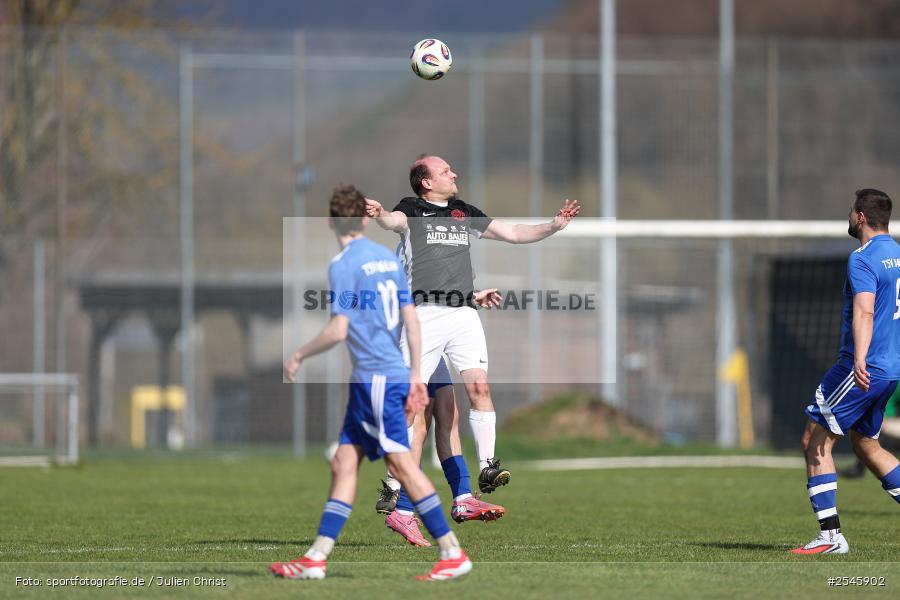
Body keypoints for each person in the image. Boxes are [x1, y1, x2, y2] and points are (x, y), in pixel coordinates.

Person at [270, 184, 472, 581]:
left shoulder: (343, 264)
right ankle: (316, 558)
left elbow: (338, 329)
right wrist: (417, 375)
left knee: (401, 463)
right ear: (364, 219)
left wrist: (298, 354)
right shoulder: (385, 258)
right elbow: (412, 320)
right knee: (345, 462)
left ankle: (452, 552)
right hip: (385, 376)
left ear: (330, 221)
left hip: (377, 381)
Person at [365, 154, 580, 520]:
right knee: (412, 403)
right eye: (445, 171)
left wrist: (554, 225)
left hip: (464, 313)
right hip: (424, 316)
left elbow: (512, 233)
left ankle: (487, 466)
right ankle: (395, 484)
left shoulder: (464, 211)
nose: (454, 174)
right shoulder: (412, 210)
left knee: (478, 389)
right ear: (426, 182)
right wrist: (382, 213)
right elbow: (393, 222)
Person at [792, 188, 900, 555]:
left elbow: (865, 310)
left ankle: (830, 537)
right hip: (890, 369)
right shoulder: (899, 255)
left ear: (860, 217)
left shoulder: (863, 258)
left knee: (814, 440)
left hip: (863, 368)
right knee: (866, 444)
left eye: (851, 210)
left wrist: (859, 359)